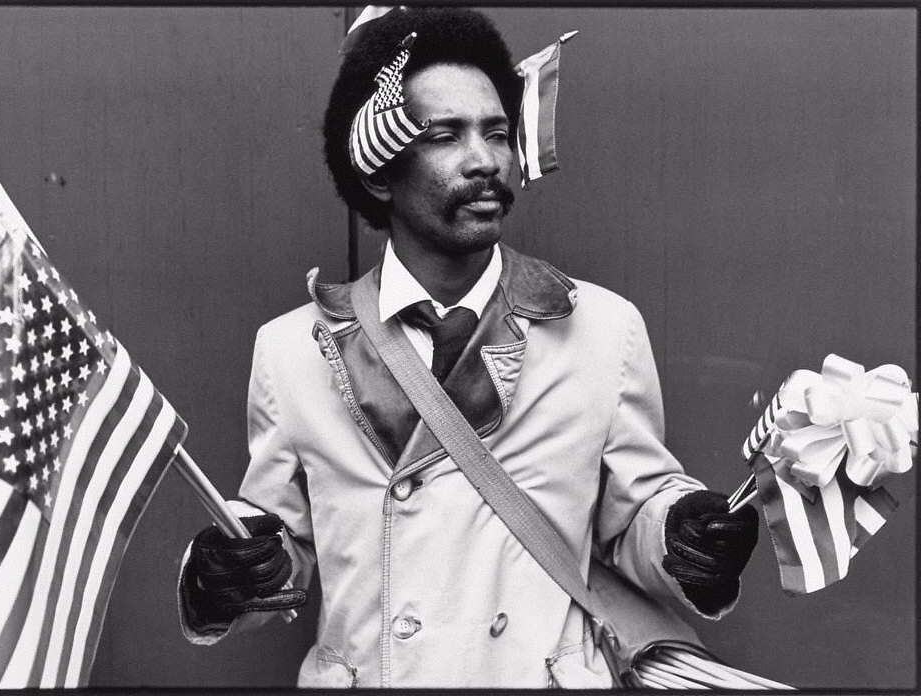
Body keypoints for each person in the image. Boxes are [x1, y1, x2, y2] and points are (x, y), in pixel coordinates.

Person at [177, 7, 758, 688]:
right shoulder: (290, 349)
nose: (485, 160)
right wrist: (230, 570)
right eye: (446, 135)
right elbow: (287, 544)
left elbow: (632, 520)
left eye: (498, 133)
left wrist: (682, 535)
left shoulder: (603, 328)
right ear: (378, 172)